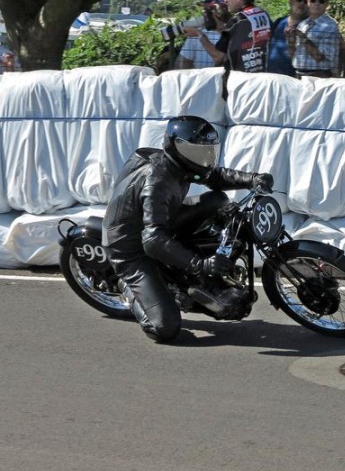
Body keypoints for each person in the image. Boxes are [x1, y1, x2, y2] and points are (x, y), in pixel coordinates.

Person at [102, 116, 274, 343]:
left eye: (207, 151)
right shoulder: (157, 183)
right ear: (176, 147)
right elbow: (152, 240)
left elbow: (214, 176)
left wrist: (251, 179)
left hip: (160, 219)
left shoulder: (179, 163)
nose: (205, 159)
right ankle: (127, 286)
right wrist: (202, 264)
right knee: (165, 328)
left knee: (218, 200)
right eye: (198, 152)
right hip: (130, 246)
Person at [184, 0, 272, 73]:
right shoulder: (264, 15)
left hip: (241, 81)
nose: (226, 0)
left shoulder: (236, 21)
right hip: (264, 77)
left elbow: (218, 57)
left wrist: (199, 34)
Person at [290, 0, 343, 78]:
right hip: (298, 75)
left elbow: (319, 57)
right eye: (313, 0)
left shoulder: (330, 26)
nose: (317, 3)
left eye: (321, 1)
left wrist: (303, 38)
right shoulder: (302, 24)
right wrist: (290, 37)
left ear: (326, 3)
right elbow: (292, 54)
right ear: (308, 2)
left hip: (320, 77)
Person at [175, 0, 231, 69]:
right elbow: (182, 64)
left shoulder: (234, 31)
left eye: (207, 10)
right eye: (205, 10)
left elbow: (219, 58)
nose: (205, 13)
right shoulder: (195, 36)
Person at [267, 0, 310, 76]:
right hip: (271, 78)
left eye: (306, 2)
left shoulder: (309, 27)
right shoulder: (278, 22)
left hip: (292, 81)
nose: (302, 3)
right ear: (291, 1)